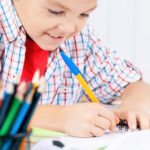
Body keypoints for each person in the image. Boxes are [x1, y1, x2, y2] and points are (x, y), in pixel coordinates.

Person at [0, 0, 150, 138]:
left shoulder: (80, 39)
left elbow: (133, 84)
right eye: (55, 11)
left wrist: (134, 105)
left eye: (84, 14)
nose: (69, 28)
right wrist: (59, 118)